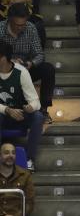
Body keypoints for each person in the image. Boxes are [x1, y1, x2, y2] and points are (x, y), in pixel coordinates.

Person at [0, 3, 54, 123]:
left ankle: (44, 109)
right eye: (17, 25)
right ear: (9, 20)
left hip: (26, 68)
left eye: (23, 25)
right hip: (4, 69)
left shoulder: (30, 28)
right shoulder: (0, 29)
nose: (20, 28)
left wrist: (31, 63)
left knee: (48, 69)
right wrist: (10, 61)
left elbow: (40, 54)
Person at [0, 42, 42, 171]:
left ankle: (29, 160)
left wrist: (30, 107)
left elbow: (36, 102)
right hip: (2, 116)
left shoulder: (21, 72)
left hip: (20, 115)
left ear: (6, 58)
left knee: (38, 117)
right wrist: (7, 110)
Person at [0, 142, 33, 216]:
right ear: (0, 156)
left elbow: (30, 203)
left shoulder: (25, 175)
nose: (10, 155)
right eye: (6, 153)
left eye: (13, 153)